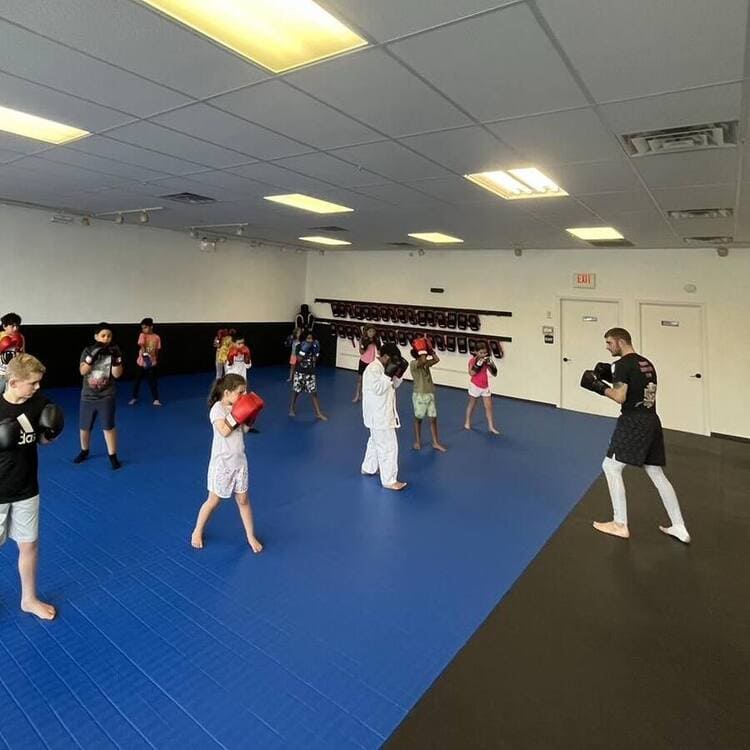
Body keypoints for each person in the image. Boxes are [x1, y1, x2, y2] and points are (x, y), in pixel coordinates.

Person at [581, 327, 691, 543]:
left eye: (609, 343)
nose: (607, 347)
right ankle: (679, 526)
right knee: (656, 473)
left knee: (610, 466)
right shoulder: (646, 363)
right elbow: (639, 386)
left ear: (620, 342)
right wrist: (612, 374)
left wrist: (598, 387)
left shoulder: (623, 364)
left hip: (633, 421)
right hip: (651, 419)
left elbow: (621, 396)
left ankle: (620, 523)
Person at [0, 354, 64, 620]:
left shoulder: (38, 403)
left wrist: (50, 433)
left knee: (29, 545)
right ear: (14, 382)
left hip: (27, 488)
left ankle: (28, 599)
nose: (38, 388)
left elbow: (42, 440)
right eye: (33, 383)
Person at [190, 374, 263, 552]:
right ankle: (197, 531)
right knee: (213, 500)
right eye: (240, 392)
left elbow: (244, 431)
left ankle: (250, 535)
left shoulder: (237, 406)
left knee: (244, 499)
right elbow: (223, 430)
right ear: (227, 392)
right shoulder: (217, 409)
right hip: (222, 463)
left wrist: (251, 415)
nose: (244, 396)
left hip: (239, 461)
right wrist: (238, 414)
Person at [74, 323, 123, 470]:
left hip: (107, 395)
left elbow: (117, 374)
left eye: (109, 336)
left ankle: (113, 456)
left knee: (108, 427)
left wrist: (116, 359)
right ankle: (84, 450)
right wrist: (91, 357)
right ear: (96, 336)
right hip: (88, 395)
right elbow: (82, 371)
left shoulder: (115, 351)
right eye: (103, 335)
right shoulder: (88, 350)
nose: (106, 338)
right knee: (84, 426)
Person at [361, 342, 408, 491]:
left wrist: (398, 373)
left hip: (380, 414)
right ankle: (389, 480)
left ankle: (368, 468)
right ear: (386, 356)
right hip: (379, 415)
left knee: (375, 442)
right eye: (393, 359)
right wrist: (388, 374)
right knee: (388, 446)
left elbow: (393, 385)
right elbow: (379, 388)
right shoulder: (373, 369)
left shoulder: (383, 368)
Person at [409, 338, 447, 452]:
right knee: (418, 419)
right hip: (419, 395)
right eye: (422, 354)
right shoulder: (414, 364)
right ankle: (417, 441)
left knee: (433, 419)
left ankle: (435, 442)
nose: (424, 356)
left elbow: (436, 359)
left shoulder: (425, 363)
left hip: (430, 393)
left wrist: (431, 351)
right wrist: (422, 349)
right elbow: (423, 361)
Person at [289, 330, 327, 420]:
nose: (310, 340)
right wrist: (303, 350)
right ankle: (291, 408)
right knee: (296, 392)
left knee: (314, 393)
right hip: (300, 372)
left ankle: (318, 413)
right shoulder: (299, 346)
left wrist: (317, 352)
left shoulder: (314, 347)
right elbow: (298, 359)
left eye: (311, 338)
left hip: (310, 373)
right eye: (308, 338)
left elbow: (314, 360)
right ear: (304, 339)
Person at [464, 342, 500, 434]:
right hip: (475, 385)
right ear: (476, 352)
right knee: (472, 404)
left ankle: (491, 427)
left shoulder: (487, 361)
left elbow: (494, 374)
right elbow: (471, 373)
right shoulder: (472, 361)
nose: (483, 355)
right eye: (481, 353)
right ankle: (467, 422)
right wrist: (478, 365)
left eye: (485, 353)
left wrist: (491, 365)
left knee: (489, 407)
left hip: (485, 386)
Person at [129, 317, 162, 406]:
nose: (143, 329)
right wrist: (145, 358)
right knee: (137, 381)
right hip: (141, 363)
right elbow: (142, 346)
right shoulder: (142, 335)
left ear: (151, 327)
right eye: (142, 328)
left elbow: (157, 350)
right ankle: (134, 397)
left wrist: (154, 360)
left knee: (152, 382)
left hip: (152, 364)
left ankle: (156, 399)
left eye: (145, 327)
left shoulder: (157, 337)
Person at [352, 325, 380, 403]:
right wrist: (365, 345)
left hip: (371, 363)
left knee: (371, 381)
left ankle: (369, 396)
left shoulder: (376, 340)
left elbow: (379, 352)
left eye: (373, 331)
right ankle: (357, 395)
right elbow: (361, 352)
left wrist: (378, 345)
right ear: (366, 332)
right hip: (363, 361)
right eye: (370, 331)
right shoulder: (363, 339)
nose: (371, 333)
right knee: (360, 380)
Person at [0, 312, 25, 393]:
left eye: (17, 326)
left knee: (10, 394)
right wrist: (2, 347)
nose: (15, 328)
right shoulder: (0, 336)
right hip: (0, 372)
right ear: (4, 326)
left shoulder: (20, 337)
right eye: (12, 326)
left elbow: (23, 354)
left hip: (13, 372)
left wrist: (19, 351)